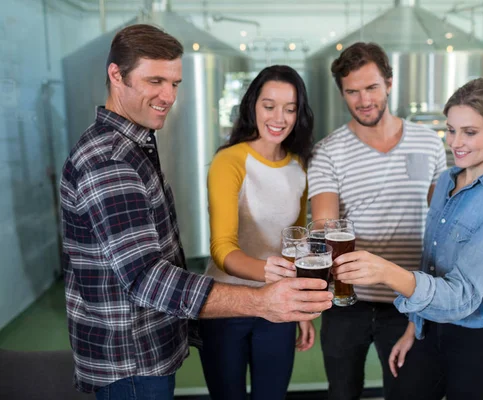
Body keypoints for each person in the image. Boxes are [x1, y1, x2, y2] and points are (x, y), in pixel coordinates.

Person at [59, 24, 332, 399]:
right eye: (156, 80)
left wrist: (289, 301)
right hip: (131, 359)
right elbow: (146, 278)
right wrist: (261, 298)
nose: (168, 96)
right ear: (116, 75)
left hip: (147, 349)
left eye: (175, 84)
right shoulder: (111, 160)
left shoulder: (135, 148)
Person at [333, 77, 483, 399]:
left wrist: (386, 272)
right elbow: (429, 266)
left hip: (481, 345)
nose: (455, 142)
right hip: (430, 330)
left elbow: (462, 297)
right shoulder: (447, 179)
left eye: (470, 132)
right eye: (451, 129)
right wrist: (413, 328)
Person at [306, 42, 447, 400]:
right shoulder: (327, 151)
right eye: (352, 91)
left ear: (389, 83)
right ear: (342, 93)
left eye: (371, 87)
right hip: (346, 301)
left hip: (409, 297)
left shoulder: (429, 143)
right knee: (342, 393)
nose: (363, 99)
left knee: (410, 393)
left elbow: (444, 219)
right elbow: (323, 222)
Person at [198, 65, 315, 400]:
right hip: (226, 304)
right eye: (269, 106)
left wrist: (301, 309)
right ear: (252, 106)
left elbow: (298, 241)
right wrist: (266, 270)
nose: (279, 117)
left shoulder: (299, 166)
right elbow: (221, 248)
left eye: (289, 109)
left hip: (278, 306)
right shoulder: (229, 161)